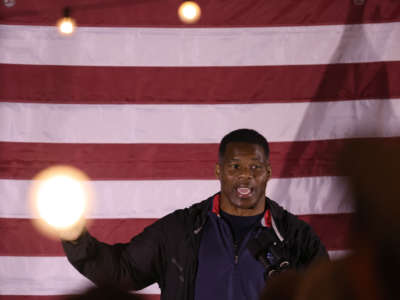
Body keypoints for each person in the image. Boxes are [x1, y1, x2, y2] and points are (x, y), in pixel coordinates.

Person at [61, 128, 328, 300]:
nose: (246, 176)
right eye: (235, 166)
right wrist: (76, 239)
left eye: (255, 167)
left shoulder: (297, 238)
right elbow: (122, 271)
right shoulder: (179, 230)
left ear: (268, 173)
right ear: (219, 171)